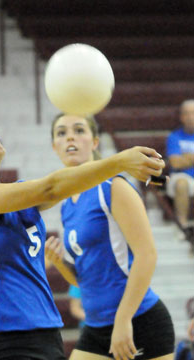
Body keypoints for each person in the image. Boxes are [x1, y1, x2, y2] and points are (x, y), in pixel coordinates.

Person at [0, 113, 165, 360]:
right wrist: (120, 162)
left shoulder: (20, 196)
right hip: (9, 344)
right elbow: (49, 187)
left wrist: (128, 168)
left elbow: (59, 188)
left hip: (48, 338)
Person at [45, 114, 175, 360]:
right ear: (54, 146)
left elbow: (147, 255)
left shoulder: (113, 187)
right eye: (61, 133)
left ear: (94, 142)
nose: (70, 136)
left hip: (140, 322)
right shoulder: (66, 205)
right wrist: (59, 262)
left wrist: (123, 320)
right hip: (95, 328)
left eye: (79, 130)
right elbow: (83, 282)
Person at [166, 99, 194, 240]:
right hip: (181, 177)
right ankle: (182, 225)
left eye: (193, 113)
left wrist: (188, 158)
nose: (190, 117)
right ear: (181, 117)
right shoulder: (174, 137)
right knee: (182, 184)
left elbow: (181, 159)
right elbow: (175, 163)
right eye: (187, 114)